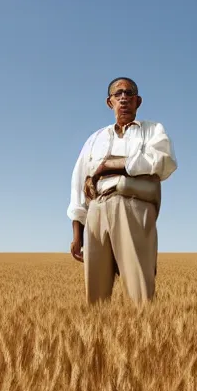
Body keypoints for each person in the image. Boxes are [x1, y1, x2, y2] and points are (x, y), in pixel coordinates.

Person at [67, 77, 177, 304]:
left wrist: (111, 164)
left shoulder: (152, 130)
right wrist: (77, 234)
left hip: (132, 205)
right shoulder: (94, 139)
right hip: (96, 210)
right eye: (118, 94)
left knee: (140, 289)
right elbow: (79, 183)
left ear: (138, 101)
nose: (124, 98)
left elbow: (163, 161)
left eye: (129, 93)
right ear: (110, 102)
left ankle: (145, 334)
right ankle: (96, 337)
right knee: (95, 295)